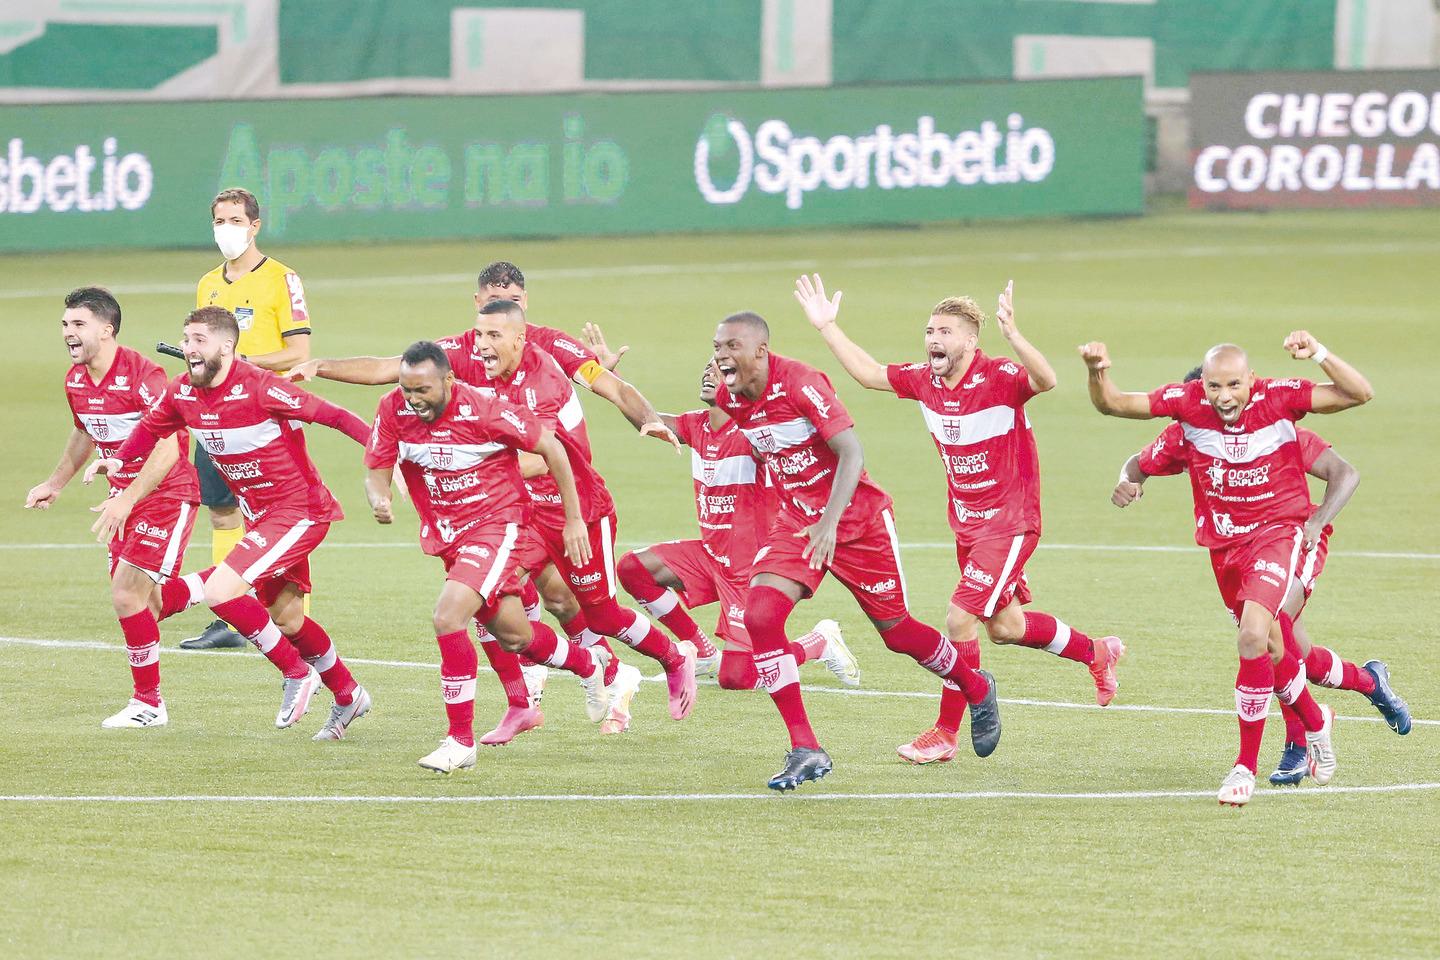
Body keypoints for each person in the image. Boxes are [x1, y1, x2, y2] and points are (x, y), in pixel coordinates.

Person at [290, 300, 698, 730]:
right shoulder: (466, 353)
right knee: (484, 595)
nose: (481, 344)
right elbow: (387, 369)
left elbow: (546, 454)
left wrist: (647, 418)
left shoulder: (544, 374)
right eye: (479, 330)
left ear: (520, 330)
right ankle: (522, 701)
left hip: (572, 505)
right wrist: (322, 366)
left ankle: (672, 658)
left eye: (493, 335)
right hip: (517, 510)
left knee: (600, 614)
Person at [797, 275, 1124, 765]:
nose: (934, 339)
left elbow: (1046, 380)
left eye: (946, 332)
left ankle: (946, 732)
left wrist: (1015, 336)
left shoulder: (999, 376)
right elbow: (868, 374)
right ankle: (1096, 652)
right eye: (930, 331)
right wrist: (828, 327)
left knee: (959, 617)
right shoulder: (924, 381)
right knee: (1006, 626)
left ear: (971, 341)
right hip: (968, 525)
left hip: (1011, 522)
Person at [712, 309, 1000, 791]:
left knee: (898, 633)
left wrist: (829, 523)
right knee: (760, 616)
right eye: (717, 347)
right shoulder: (731, 395)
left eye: (731, 347)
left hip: (858, 523)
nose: (721, 355)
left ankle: (976, 685)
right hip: (799, 524)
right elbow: (769, 445)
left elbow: (851, 453)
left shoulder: (801, 383)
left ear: (761, 350)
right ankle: (806, 747)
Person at [1080, 331, 1373, 805]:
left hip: (1279, 534)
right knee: (1275, 645)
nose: (1223, 397)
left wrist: (1317, 353)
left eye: (1233, 385)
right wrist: (1098, 373)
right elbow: (1115, 408)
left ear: (1251, 381)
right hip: (1224, 551)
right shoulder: (1187, 413)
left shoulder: (1278, 400)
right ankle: (1317, 721)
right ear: (1203, 387)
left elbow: (1359, 393)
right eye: (1214, 387)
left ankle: (1245, 767)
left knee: (1256, 634)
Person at [1114, 369, 1410, 785]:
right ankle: (1370, 683)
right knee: (1297, 656)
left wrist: (1317, 521)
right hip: (1240, 549)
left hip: (1295, 540)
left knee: (1272, 632)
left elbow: (1346, 473)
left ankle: (1297, 741)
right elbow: (1138, 461)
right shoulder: (1192, 435)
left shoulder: (1273, 430)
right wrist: (1127, 482)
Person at [89, 306, 372, 739]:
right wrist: (117, 459)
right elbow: (148, 430)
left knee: (225, 591)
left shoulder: (261, 388)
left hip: (300, 510)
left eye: (199, 340)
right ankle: (349, 695)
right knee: (288, 619)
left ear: (227, 345)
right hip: (261, 516)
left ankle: (298, 674)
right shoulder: (183, 392)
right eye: (186, 339)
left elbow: (333, 416)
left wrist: (385, 457)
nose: (188, 348)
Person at [364, 341, 612, 771]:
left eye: (423, 390)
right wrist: (379, 495)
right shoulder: (392, 409)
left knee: (448, 617)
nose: (413, 399)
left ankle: (460, 741)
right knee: (516, 636)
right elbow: (377, 464)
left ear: (449, 381)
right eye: (407, 389)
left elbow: (553, 448)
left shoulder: (485, 409)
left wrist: (574, 520)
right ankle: (589, 663)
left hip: (498, 525)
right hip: (448, 535)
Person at [604, 350, 861, 691]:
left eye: (720, 369)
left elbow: (795, 435)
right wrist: (606, 380)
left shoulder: (752, 432)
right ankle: (703, 651)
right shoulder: (696, 425)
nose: (709, 372)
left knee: (739, 677)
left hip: (747, 569)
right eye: (707, 365)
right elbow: (647, 420)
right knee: (633, 568)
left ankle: (819, 642)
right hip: (710, 556)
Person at [25, 287, 204, 727]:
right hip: (122, 500)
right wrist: (56, 482)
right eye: (65, 325)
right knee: (150, 604)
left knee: (126, 595)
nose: (68, 333)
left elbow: (170, 446)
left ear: (106, 330)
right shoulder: (76, 380)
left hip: (166, 495)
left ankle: (149, 704)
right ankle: (224, 582)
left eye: (78, 325)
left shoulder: (145, 375)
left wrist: (126, 498)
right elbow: (84, 432)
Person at [184, 187, 316, 650]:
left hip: (266, 415)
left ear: (255, 225)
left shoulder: (283, 279)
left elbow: (299, 351)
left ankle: (292, 616)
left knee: (279, 511)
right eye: (220, 221)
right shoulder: (208, 283)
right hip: (217, 415)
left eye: (235, 221)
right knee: (221, 510)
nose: (227, 230)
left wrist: (244, 364)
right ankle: (229, 618)